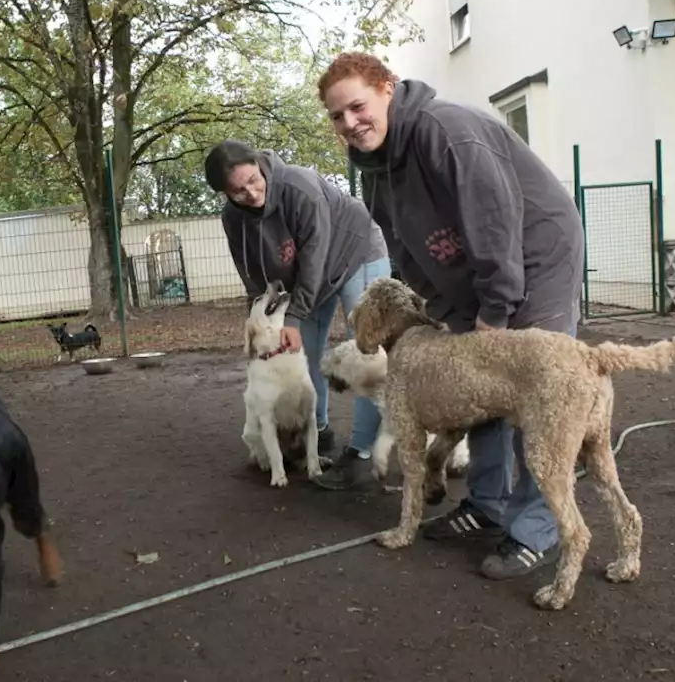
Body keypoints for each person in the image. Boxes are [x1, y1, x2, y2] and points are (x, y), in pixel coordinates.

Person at [316, 52, 586, 580]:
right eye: (337, 116)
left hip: (535, 257)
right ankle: (486, 504)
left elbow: (495, 224)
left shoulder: (447, 130)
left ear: (387, 88)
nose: (349, 123)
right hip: (471, 273)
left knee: (538, 394)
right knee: (475, 386)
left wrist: (495, 310)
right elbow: (405, 250)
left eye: (357, 106)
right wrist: (445, 311)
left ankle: (537, 528)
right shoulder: (374, 169)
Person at [204, 140, 392, 487]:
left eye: (254, 181)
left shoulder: (299, 187)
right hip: (308, 277)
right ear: (224, 193)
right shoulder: (233, 218)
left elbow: (315, 259)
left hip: (355, 253)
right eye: (238, 191)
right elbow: (252, 276)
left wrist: (293, 317)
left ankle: (361, 451)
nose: (252, 194)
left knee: (365, 349)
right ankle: (317, 433)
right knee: (302, 348)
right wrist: (260, 321)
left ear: (260, 165)